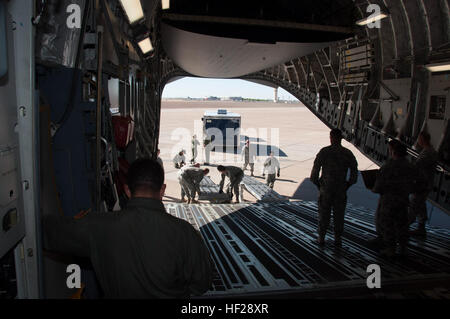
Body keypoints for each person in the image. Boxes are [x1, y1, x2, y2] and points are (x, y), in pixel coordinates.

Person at [43, 159, 213, 298]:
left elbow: (50, 233)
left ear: (127, 190)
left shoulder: (98, 226)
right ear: (162, 190)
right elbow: (202, 284)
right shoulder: (186, 233)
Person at [372, 139, 424, 257]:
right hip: (403, 201)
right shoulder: (411, 167)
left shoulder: (388, 167)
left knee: (388, 225)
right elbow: (422, 182)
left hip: (388, 202)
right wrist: (410, 189)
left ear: (393, 152)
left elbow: (378, 186)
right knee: (402, 224)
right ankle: (403, 248)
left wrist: (376, 189)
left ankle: (391, 249)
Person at [310, 128, 358, 247]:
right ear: (341, 138)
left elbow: (315, 172)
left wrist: (318, 184)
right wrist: (348, 184)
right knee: (339, 215)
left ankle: (321, 238)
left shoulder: (324, 152)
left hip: (326, 189)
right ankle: (338, 239)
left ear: (331, 138)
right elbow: (354, 171)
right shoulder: (347, 153)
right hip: (340, 190)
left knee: (324, 214)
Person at [409, 131, 438, 236]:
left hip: (422, 184)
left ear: (422, 139)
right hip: (425, 183)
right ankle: (421, 228)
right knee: (421, 205)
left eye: (419, 139)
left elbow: (417, 165)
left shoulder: (427, 153)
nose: (418, 141)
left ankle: (403, 228)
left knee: (414, 204)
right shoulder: (430, 151)